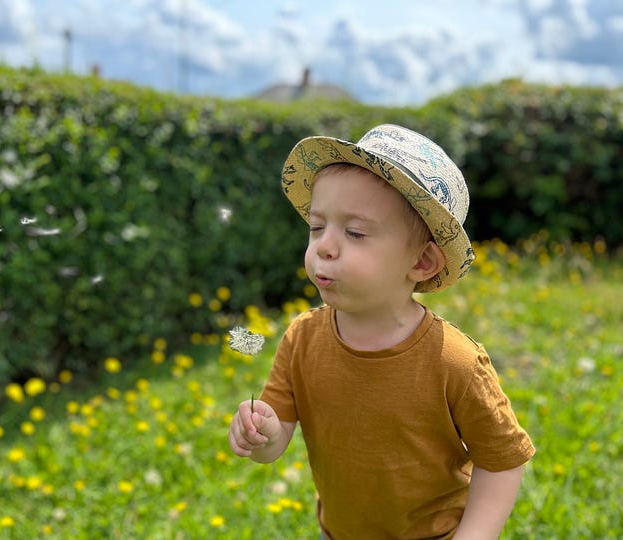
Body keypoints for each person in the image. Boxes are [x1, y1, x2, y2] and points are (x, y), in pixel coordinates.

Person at [228, 124, 535, 539]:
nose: (324, 246)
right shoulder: (302, 339)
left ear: (423, 263)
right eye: (317, 227)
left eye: (354, 233)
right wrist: (261, 434)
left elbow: (502, 459)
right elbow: (275, 439)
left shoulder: (455, 362)